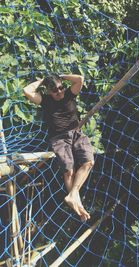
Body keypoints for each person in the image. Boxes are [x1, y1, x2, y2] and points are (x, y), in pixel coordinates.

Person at [23, 73, 94, 221]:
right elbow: (27, 91)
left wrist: (61, 76)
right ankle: (77, 204)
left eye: (61, 87)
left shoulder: (69, 94)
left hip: (76, 133)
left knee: (89, 162)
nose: (59, 92)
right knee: (68, 171)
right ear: (48, 91)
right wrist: (42, 80)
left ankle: (73, 195)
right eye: (54, 90)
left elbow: (80, 79)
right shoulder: (45, 100)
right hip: (59, 139)